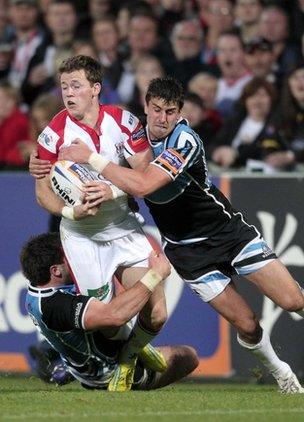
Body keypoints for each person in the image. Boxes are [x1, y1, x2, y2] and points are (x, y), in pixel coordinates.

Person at [52, 76, 304, 394]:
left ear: (180, 112)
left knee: (293, 300)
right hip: (188, 253)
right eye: (156, 109)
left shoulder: (184, 140)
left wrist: (91, 158)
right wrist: (45, 164)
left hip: (228, 234)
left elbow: (143, 185)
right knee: (246, 324)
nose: (162, 118)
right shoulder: (132, 139)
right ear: (145, 107)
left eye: (170, 111)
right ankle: (283, 375)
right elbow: (122, 177)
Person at [32, 55, 168, 392]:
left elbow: (143, 175)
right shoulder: (53, 135)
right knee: (107, 323)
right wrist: (69, 213)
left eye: (76, 85)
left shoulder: (124, 122)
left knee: (157, 313)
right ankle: (99, 363)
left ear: (96, 89)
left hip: (123, 226)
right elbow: (41, 191)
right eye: (64, 87)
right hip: (83, 237)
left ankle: (129, 356)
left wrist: (110, 189)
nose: (68, 93)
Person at [21, 232, 198, 390]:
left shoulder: (39, 288)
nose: (74, 259)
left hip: (87, 359)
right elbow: (114, 316)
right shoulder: (54, 305)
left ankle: (66, 367)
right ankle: (130, 358)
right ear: (55, 271)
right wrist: (155, 274)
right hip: (107, 372)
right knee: (189, 356)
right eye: (68, 257)